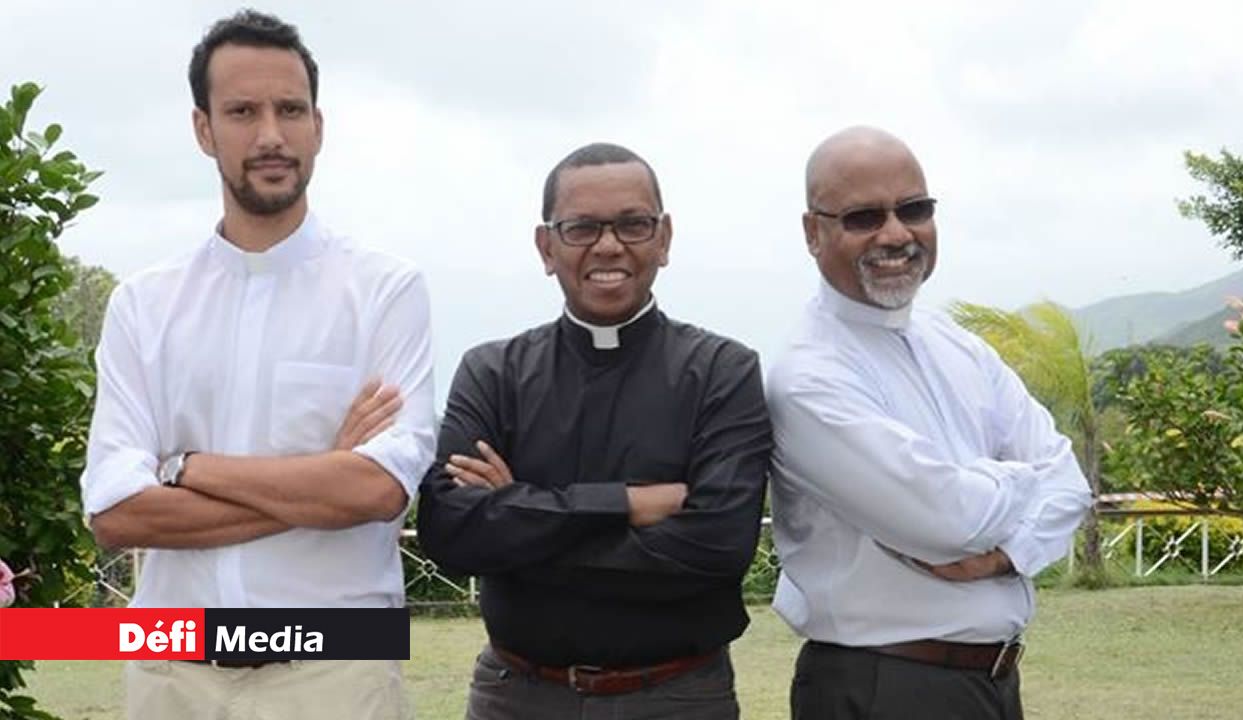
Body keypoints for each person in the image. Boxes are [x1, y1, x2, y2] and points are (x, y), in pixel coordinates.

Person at [79, 10, 435, 719]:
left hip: (335, 666)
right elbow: (116, 512)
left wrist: (186, 468)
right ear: (204, 129)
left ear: (319, 126)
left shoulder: (386, 292)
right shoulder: (144, 307)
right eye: (242, 111)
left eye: (290, 110)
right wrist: (315, 479)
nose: (271, 134)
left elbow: (374, 492)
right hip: (171, 669)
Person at [417, 143, 771, 719]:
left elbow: (717, 549)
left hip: (678, 698)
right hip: (518, 695)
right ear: (546, 246)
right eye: (581, 227)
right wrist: (626, 505)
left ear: (664, 237)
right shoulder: (494, 372)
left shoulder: (721, 372)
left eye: (633, 224)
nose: (609, 245)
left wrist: (517, 522)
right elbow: (452, 533)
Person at [767, 126, 1092, 719]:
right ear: (814, 232)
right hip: (883, 686)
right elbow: (948, 519)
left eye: (914, 209)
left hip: (990, 684)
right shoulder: (807, 377)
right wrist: (1022, 482)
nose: (896, 233)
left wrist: (1002, 553)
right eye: (864, 217)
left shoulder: (958, 346)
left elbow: (1070, 483)